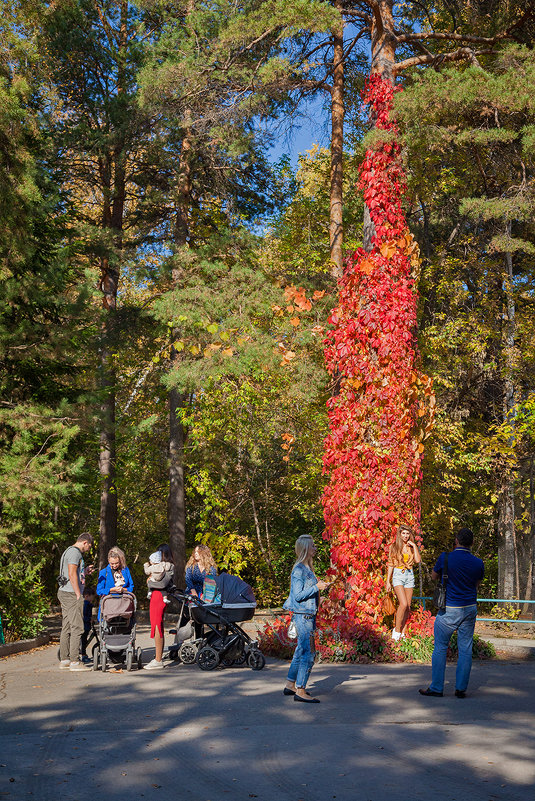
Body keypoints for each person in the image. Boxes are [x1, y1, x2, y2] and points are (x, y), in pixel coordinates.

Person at [419, 527, 484, 698]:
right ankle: (461, 688)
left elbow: (433, 577)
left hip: (449, 609)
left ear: (456, 540)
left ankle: (437, 688)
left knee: (440, 647)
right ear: (472, 543)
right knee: (465, 649)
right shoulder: (478, 562)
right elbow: (476, 585)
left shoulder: (445, 557)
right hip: (469, 608)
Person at [282, 534, 330, 703]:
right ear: (305, 549)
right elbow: (298, 595)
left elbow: (306, 594)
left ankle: (290, 684)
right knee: (308, 654)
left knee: (300, 651)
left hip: (307, 615)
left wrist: (318, 593)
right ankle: (300, 690)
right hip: (303, 617)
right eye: (312, 546)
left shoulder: (306, 568)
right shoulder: (299, 570)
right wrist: (316, 587)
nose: (315, 548)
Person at [57, 532, 95, 671]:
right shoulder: (75, 553)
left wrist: (84, 571)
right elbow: (72, 573)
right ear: (85, 542)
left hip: (65, 592)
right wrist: (78, 594)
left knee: (66, 626)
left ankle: (65, 659)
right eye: (89, 546)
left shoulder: (69, 551)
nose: (89, 549)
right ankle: (74, 661)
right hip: (71, 594)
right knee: (77, 627)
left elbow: (73, 572)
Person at [386, 524, 421, 640]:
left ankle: (403, 633)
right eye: (403, 533)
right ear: (399, 535)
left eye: (407, 534)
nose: (405, 536)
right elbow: (390, 564)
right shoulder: (394, 546)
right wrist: (388, 581)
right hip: (398, 575)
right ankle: (396, 632)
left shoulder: (411, 547)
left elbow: (417, 560)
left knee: (408, 606)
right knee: (403, 604)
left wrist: (415, 546)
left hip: (409, 576)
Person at [144, 543, 175, 670]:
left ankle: (158, 659)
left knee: (157, 625)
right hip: (156, 596)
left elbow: (162, 584)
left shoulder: (168, 567)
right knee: (157, 625)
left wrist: (150, 581)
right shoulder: (159, 566)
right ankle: (158, 657)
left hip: (159, 597)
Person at [80, 586, 96, 663]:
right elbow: (83, 616)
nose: (92, 599)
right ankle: (83, 655)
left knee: (84, 640)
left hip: (86, 626)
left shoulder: (88, 604)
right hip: (84, 626)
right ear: (86, 596)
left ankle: (83, 653)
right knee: (83, 641)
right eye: (91, 597)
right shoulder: (85, 605)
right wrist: (89, 619)